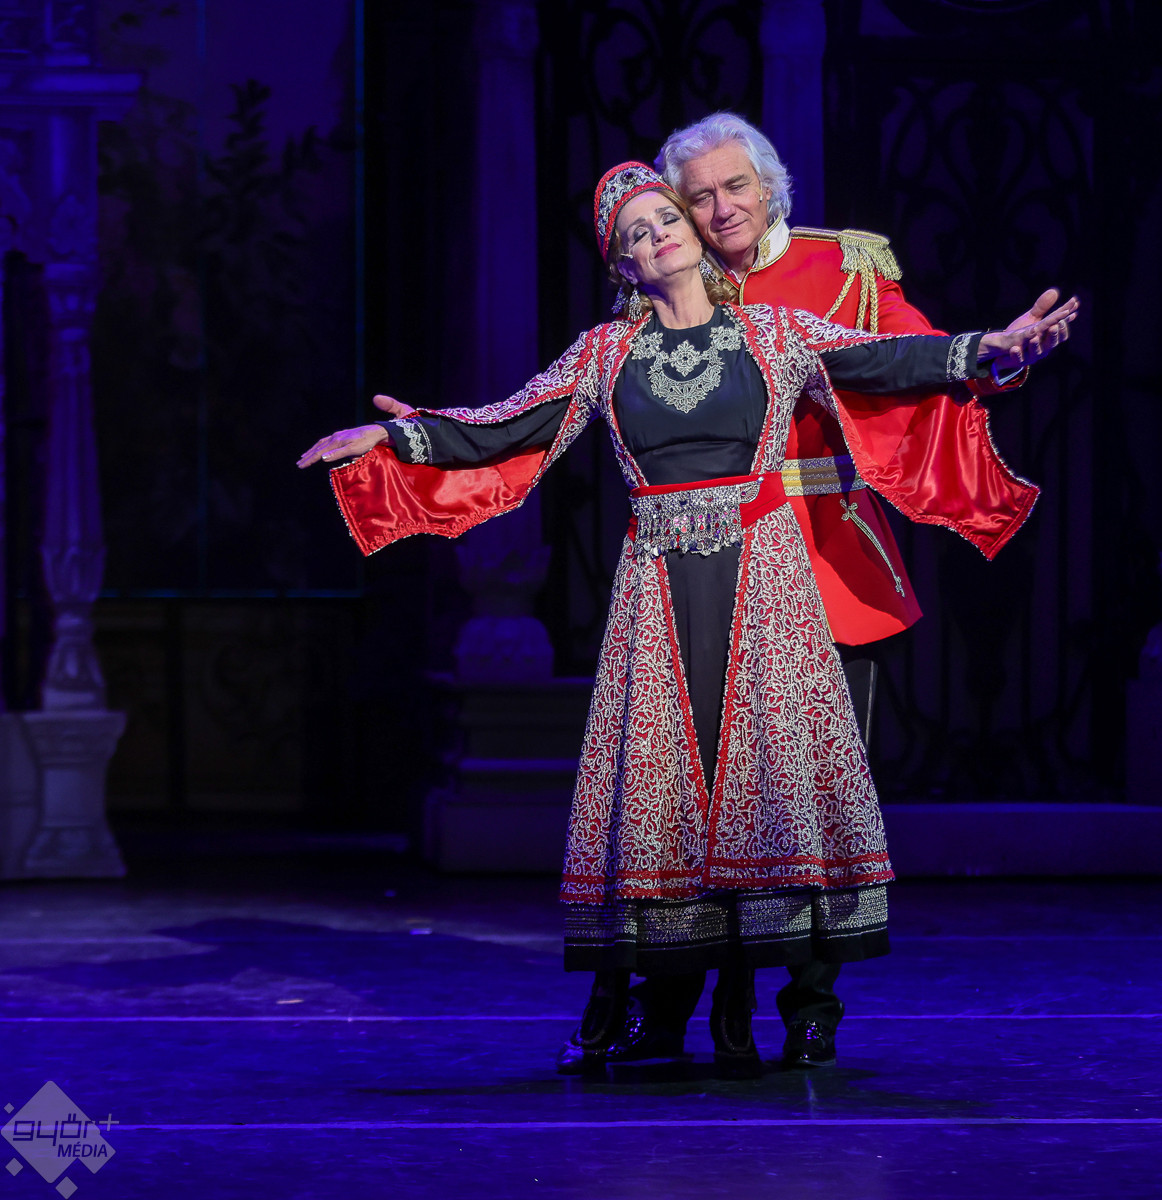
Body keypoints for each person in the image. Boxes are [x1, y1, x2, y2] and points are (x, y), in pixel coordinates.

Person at [298, 162, 1077, 1077]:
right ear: (622, 266)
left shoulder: (776, 333)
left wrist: (991, 349)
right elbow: (505, 426)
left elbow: (888, 360)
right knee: (666, 790)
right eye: (635, 233)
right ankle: (654, 1006)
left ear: (693, 233)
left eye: (665, 217)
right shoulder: (603, 355)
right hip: (657, 591)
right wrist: (397, 435)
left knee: (768, 784)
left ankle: (786, 1006)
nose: (658, 234)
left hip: (766, 585)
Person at [652, 112, 1062, 1067]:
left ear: (769, 186)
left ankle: (811, 1002)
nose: (721, 210)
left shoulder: (844, 267)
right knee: (705, 794)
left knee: (824, 797)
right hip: (711, 563)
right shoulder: (670, 284)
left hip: (829, 558)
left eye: (735, 187)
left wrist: (996, 356)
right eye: (700, 197)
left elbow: (920, 355)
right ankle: (707, 991)